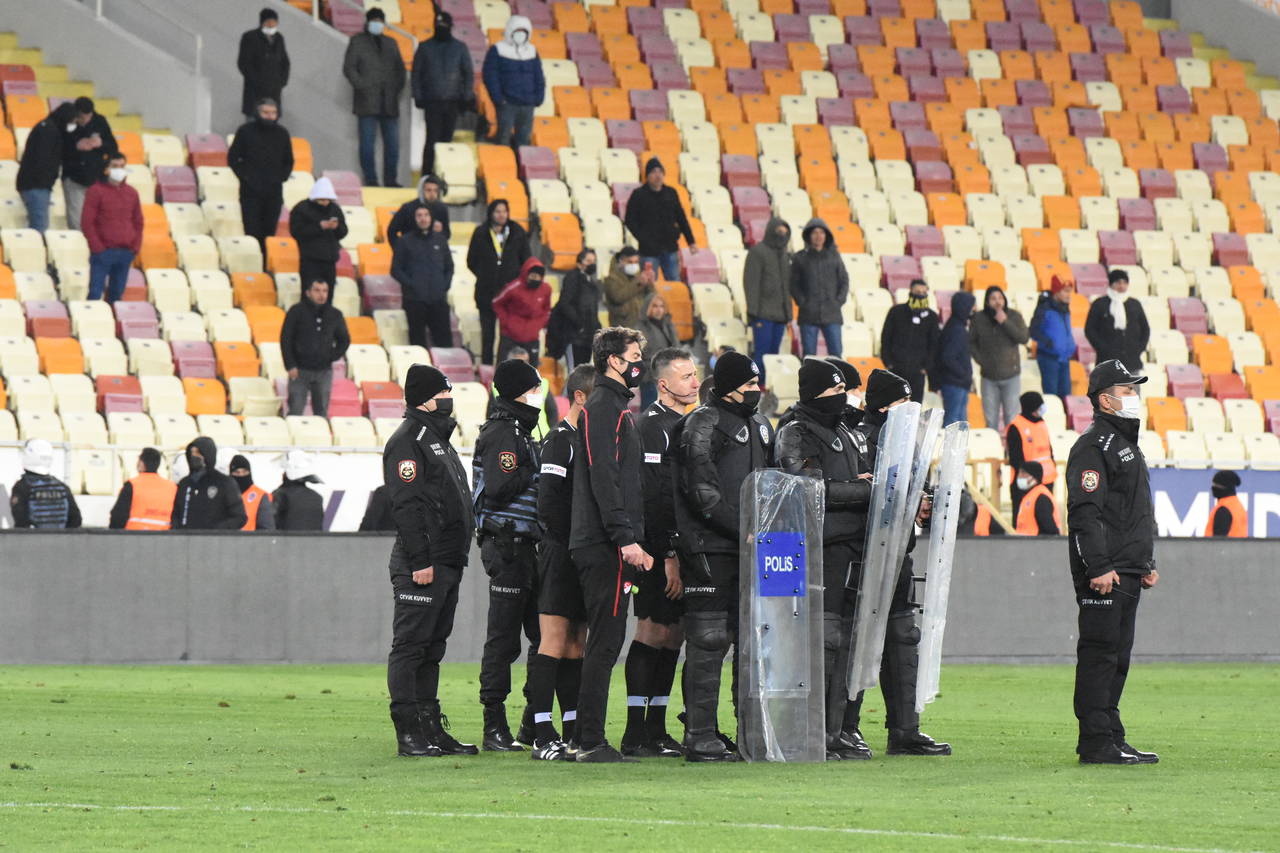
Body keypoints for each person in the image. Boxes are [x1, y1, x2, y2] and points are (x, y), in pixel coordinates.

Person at [674, 351, 774, 762]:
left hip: (755, 549)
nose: (756, 390)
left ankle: (751, 734)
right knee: (709, 639)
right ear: (729, 386)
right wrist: (743, 529)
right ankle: (699, 735)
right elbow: (701, 491)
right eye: (749, 384)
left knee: (754, 642)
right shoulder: (701, 423)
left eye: (757, 383)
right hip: (709, 547)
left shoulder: (763, 426)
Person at [846, 369, 951, 757]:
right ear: (882, 405)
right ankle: (846, 728)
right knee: (859, 643)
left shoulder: (906, 443)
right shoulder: (859, 440)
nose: (908, 410)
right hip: (864, 555)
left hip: (899, 554)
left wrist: (922, 500)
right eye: (901, 402)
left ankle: (906, 730)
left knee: (904, 639)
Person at [775, 358, 873, 759]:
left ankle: (837, 730)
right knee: (823, 642)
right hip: (817, 551)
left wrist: (857, 485)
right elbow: (807, 487)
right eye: (835, 391)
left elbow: (852, 478)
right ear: (815, 394)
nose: (842, 397)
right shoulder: (795, 432)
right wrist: (863, 490)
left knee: (848, 642)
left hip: (853, 547)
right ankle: (810, 731)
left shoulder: (844, 431)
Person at [1066, 359, 1159, 765]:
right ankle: (1094, 741)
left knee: (1117, 658)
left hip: (1127, 568)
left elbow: (1133, 512)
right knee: (1100, 655)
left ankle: (1111, 735)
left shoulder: (1125, 445)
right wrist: (1098, 565)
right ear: (1105, 400)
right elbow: (1085, 513)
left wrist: (1145, 561)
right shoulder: (1094, 446)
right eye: (1126, 390)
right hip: (1106, 571)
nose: (1134, 396)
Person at [568, 327, 654, 762]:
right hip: (605, 543)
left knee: (602, 641)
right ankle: (589, 740)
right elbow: (605, 475)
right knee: (604, 642)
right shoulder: (604, 407)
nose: (640, 363)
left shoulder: (613, 407)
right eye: (634, 355)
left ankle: (582, 737)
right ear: (613, 361)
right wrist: (625, 538)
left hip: (603, 539)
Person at [383, 364, 477, 757]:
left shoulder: (435, 439)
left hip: (447, 560)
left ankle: (430, 729)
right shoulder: (408, 441)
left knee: (432, 648)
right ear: (425, 398)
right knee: (411, 646)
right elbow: (407, 505)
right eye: (443, 393)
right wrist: (421, 559)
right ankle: (408, 732)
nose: (449, 399)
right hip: (423, 563)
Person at [622, 347, 699, 758]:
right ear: (664, 384)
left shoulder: (687, 422)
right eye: (686, 376)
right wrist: (668, 554)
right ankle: (636, 732)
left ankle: (655, 728)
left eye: (695, 374)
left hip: (679, 547)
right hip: (655, 549)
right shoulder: (652, 425)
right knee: (652, 630)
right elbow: (653, 496)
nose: (695, 382)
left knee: (673, 635)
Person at [472, 358, 546, 751]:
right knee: (503, 638)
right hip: (507, 543)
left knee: (542, 636)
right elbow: (500, 487)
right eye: (533, 388)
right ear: (519, 392)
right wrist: (536, 470)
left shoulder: (520, 430)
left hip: (525, 544)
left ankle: (533, 720)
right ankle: (494, 725)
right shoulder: (503, 431)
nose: (538, 394)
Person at [527, 364, 597, 760]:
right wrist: (571, 543)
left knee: (576, 644)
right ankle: (541, 733)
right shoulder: (560, 440)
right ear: (580, 397)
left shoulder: (588, 440)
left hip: (582, 553)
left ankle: (571, 728)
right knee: (553, 640)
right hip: (560, 552)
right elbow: (548, 503)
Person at [343, 7, 407, 187]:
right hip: (366, 101)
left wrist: (395, 90)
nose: (377, 24)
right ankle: (371, 179)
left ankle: (391, 180)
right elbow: (349, 68)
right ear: (367, 22)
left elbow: (400, 70)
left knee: (393, 145)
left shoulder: (391, 43)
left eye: (380, 21)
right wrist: (362, 86)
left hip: (389, 102)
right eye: (374, 21)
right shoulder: (357, 41)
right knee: (367, 144)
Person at [467, 199, 531, 365]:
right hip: (486, 293)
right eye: (498, 211)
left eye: (504, 211)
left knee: (508, 336)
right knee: (487, 335)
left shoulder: (517, 232)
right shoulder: (480, 233)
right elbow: (471, 261)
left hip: (510, 295)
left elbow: (526, 260)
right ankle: (487, 367)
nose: (501, 215)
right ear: (491, 213)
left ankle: (505, 368)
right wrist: (486, 275)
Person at [227, 97, 294, 253]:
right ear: (257, 113)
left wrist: (280, 178)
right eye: (266, 112)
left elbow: (289, 161)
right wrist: (245, 177)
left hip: (274, 192)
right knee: (252, 233)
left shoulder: (282, 133)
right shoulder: (245, 131)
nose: (270, 116)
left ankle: (266, 265)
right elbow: (233, 158)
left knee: (269, 234)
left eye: (273, 113)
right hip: (250, 192)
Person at [411, 9, 473, 175]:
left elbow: (468, 73)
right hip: (432, 102)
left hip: (453, 102)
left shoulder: (460, 48)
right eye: (439, 24)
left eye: (444, 24)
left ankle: (443, 175)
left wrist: (466, 97)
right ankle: (426, 175)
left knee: (447, 141)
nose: (441, 27)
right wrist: (418, 96)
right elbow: (416, 74)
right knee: (432, 139)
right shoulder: (424, 47)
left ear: (450, 26)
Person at [80, 152, 142, 304]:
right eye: (115, 166)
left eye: (122, 166)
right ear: (106, 169)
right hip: (103, 252)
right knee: (95, 293)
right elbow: (87, 222)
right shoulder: (95, 191)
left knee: (117, 296)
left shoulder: (132, 193)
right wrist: (98, 247)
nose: (119, 170)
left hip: (125, 252)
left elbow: (138, 222)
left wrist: (135, 247)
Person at [280, 279, 348, 416]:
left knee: (321, 413)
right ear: (308, 292)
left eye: (325, 291)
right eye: (317, 290)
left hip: (323, 371)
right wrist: (290, 365)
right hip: (299, 371)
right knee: (295, 410)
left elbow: (344, 340)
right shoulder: (296, 311)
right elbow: (285, 339)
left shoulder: (335, 314)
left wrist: (331, 356)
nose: (321, 294)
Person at [623, 158, 696, 283]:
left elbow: (681, 218)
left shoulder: (671, 193)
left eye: (660, 172)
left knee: (674, 282)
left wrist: (691, 242)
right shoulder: (638, 195)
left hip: (670, 247)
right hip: (649, 250)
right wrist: (643, 238)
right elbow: (629, 220)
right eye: (653, 172)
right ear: (647, 176)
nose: (658, 175)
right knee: (649, 284)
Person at [392, 206, 455, 350]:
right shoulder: (404, 241)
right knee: (418, 346)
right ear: (414, 219)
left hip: (438, 300)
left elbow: (449, 267)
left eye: (426, 215)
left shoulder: (440, 240)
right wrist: (412, 285)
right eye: (419, 215)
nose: (423, 218)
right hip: (414, 301)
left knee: (445, 344)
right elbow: (395, 270)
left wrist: (444, 285)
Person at [969, 285, 1029, 433]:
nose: (997, 302)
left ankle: (1011, 446)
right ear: (987, 301)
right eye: (993, 298)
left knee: (1011, 418)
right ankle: (992, 445)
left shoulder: (1014, 316)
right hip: (988, 377)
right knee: (991, 420)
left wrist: (1005, 322)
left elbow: (1023, 338)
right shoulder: (979, 318)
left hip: (1011, 376)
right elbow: (971, 342)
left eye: (1000, 298)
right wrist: (981, 360)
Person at [482, 15, 545, 149]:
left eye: (524, 31)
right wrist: (499, 99)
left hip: (527, 104)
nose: (521, 34)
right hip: (507, 104)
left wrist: (538, 98)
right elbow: (490, 75)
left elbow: (539, 76)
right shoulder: (498, 49)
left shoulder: (532, 51)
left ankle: (521, 162)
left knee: (524, 141)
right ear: (510, 31)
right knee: (503, 139)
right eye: (518, 31)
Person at [790, 218, 848, 358]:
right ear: (808, 236)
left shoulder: (834, 256)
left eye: (822, 232)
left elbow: (844, 280)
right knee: (809, 356)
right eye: (814, 232)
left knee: (836, 355)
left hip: (832, 314)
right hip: (808, 315)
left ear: (826, 235)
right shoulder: (800, 258)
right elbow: (793, 284)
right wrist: (802, 302)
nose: (818, 236)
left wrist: (838, 301)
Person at [744, 216, 793, 379]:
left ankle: (768, 387)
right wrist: (753, 313)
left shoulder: (785, 255)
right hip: (762, 315)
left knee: (773, 356)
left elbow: (787, 287)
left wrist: (788, 314)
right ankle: (757, 386)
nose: (782, 235)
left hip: (780, 315)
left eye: (785, 232)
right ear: (771, 231)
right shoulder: (757, 252)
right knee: (761, 354)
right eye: (779, 231)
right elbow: (751, 284)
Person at [16, 102, 76, 233]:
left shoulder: (48, 127)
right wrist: (47, 179)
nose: (73, 125)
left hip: (35, 183)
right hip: (36, 184)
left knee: (38, 225)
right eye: (72, 121)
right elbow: (42, 160)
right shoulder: (48, 131)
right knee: (39, 227)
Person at [62, 96, 117, 230]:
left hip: (96, 177)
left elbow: (113, 147)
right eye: (82, 117)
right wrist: (76, 146)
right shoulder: (68, 122)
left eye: (88, 116)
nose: (85, 120)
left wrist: (101, 144)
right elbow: (59, 147)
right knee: (76, 220)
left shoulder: (100, 121)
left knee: (97, 218)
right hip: (74, 177)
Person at [879, 279, 939, 402]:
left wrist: (926, 367)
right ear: (910, 292)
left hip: (918, 373)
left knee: (915, 407)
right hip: (896, 369)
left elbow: (934, 344)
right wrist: (888, 362)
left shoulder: (932, 317)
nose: (921, 295)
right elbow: (886, 338)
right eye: (917, 292)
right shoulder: (896, 312)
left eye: (924, 292)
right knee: (894, 405)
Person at [171, 437, 247, 530]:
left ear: (208, 454)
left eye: (198, 452)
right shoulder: (185, 484)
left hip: (214, 538)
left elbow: (239, 517)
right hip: (186, 537)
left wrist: (216, 530)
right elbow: (176, 514)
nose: (194, 456)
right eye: (192, 452)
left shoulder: (224, 483)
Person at [289, 177, 348, 291]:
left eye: (328, 200)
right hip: (310, 260)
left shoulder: (334, 209)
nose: (325, 203)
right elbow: (296, 231)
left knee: (328, 294)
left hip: (330, 260)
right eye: (322, 200)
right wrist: (319, 227)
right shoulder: (302, 209)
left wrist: (336, 227)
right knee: (310, 292)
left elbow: (343, 232)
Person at [1085, 269, 1150, 373]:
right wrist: (1102, 348)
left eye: (1125, 283)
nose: (1122, 286)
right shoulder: (1100, 304)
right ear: (1111, 284)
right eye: (1118, 282)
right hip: (1106, 362)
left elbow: (1145, 329)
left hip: (1131, 362)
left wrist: (1139, 348)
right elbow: (1090, 329)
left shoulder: (1134, 304)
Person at [9, 439, 81, 529]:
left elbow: (21, 522)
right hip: (61, 537)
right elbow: (76, 520)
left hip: (34, 537)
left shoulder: (21, 487)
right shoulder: (62, 487)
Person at [549, 249, 601, 369]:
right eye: (588, 261)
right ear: (579, 263)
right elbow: (565, 303)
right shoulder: (572, 277)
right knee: (574, 372)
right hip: (574, 336)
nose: (592, 264)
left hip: (588, 337)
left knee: (584, 372)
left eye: (594, 261)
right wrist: (579, 324)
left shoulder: (591, 282)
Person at [1006, 391, 1056, 516]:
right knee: (1024, 518)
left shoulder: (1042, 423)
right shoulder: (1016, 426)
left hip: (1047, 480)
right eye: (1038, 407)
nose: (1041, 409)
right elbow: (1015, 459)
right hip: (1027, 482)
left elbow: (1049, 450)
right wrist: (1032, 477)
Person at [492, 257, 551, 362]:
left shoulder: (546, 289)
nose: (535, 279)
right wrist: (506, 321)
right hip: (510, 336)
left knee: (532, 369)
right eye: (532, 276)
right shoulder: (513, 287)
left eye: (538, 277)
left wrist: (539, 324)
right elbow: (497, 303)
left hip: (532, 338)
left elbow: (547, 309)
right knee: (504, 367)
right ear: (526, 274)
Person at [237, 8, 291, 119]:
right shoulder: (250, 37)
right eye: (268, 22)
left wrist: (281, 82)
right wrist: (257, 81)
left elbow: (285, 62)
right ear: (262, 22)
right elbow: (244, 63)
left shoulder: (279, 38)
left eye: (274, 22)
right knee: (253, 121)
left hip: (274, 91)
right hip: (255, 92)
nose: (271, 25)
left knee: (272, 122)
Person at [932, 291, 975, 426]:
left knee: (960, 424)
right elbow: (948, 357)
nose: (974, 309)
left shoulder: (955, 325)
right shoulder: (957, 329)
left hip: (957, 383)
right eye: (971, 306)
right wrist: (964, 374)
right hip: (954, 383)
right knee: (954, 423)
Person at [109, 447, 177, 530]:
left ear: (141, 463)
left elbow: (118, 515)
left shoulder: (132, 485)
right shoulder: (172, 487)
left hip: (134, 534)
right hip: (165, 535)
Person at [1030, 276, 1076, 398]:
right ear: (1056, 292)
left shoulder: (1065, 308)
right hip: (1049, 359)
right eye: (1065, 291)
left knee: (1066, 396)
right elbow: (1033, 330)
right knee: (1052, 397)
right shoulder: (1044, 309)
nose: (1069, 295)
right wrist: (1048, 343)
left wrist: (1070, 346)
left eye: (1070, 291)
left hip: (1064, 359)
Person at [634, 292, 679, 408]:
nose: (659, 310)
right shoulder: (641, 327)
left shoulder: (668, 324)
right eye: (655, 306)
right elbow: (640, 354)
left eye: (661, 306)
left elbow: (676, 347)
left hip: (667, 375)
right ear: (647, 307)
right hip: (650, 377)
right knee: (651, 411)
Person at [386, 173, 450, 245]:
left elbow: (447, 234)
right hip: (411, 247)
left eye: (435, 191)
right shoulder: (408, 208)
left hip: (432, 248)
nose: (432, 194)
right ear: (421, 191)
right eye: (428, 190)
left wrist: (440, 232)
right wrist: (400, 248)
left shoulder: (441, 209)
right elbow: (391, 231)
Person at [602, 246, 653, 329]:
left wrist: (649, 283)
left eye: (636, 262)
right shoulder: (612, 279)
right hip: (622, 324)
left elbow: (652, 296)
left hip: (640, 324)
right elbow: (618, 297)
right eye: (630, 262)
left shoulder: (638, 277)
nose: (633, 265)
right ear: (621, 261)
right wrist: (637, 283)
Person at [274, 450, 325, 531]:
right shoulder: (317, 497)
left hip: (286, 539)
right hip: (313, 539)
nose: (282, 474)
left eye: (284, 471)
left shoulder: (280, 495)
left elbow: (270, 525)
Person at [228, 454, 274, 531]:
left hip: (251, 538)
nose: (241, 475)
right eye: (237, 472)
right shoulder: (224, 494)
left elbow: (266, 528)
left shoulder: (261, 495)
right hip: (226, 538)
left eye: (244, 472)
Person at [1013, 461, 1059, 536]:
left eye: (1023, 473)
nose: (1019, 476)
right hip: (1027, 542)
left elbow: (1049, 529)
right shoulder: (1030, 495)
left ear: (1034, 477)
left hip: (1036, 542)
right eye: (1019, 473)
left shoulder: (1041, 498)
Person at [1205, 470, 1247, 538]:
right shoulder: (1238, 506)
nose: (1213, 488)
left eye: (1216, 485)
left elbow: (1218, 541)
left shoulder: (1223, 509)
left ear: (1225, 487)